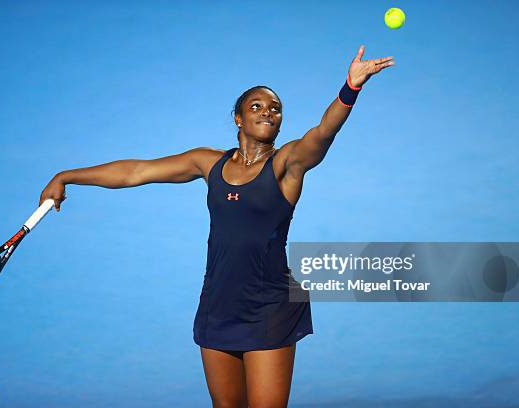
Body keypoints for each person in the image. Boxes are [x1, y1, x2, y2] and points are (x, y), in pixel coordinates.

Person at [40, 45, 394, 408]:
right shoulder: (207, 163)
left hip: (270, 305)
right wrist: (67, 176)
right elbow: (136, 171)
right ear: (238, 118)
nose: (268, 112)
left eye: (275, 108)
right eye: (257, 106)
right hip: (218, 304)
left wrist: (350, 87)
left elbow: (322, 134)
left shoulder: (287, 164)